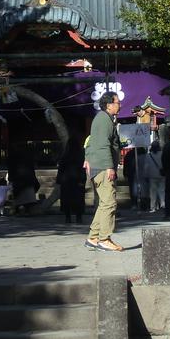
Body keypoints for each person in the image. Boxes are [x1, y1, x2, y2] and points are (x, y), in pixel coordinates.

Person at [84, 91, 123, 252]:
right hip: (102, 167)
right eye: (117, 102)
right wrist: (109, 166)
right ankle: (104, 238)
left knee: (103, 203)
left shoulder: (102, 119)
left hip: (97, 165)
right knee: (109, 203)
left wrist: (87, 157)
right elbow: (102, 145)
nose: (119, 105)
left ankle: (93, 237)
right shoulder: (104, 119)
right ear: (109, 105)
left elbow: (90, 141)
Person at [57, 136, 86, 224]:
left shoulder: (65, 155)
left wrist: (59, 180)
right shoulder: (80, 155)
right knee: (78, 199)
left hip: (66, 180)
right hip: (77, 179)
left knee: (67, 199)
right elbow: (82, 169)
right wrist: (82, 180)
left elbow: (61, 169)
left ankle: (68, 217)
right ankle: (79, 217)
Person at [7, 147, 39, 215]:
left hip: (20, 185)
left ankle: (19, 209)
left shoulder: (13, 162)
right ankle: (26, 209)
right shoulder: (27, 162)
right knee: (29, 203)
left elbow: (11, 174)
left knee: (20, 200)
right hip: (28, 184)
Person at [140, 140, 165, 213]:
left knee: (152, 192)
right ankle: (163, 204)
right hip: (161, 175)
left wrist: (145, 175)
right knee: (162, 190)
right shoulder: (162, 154)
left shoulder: (149, 155)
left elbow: (146, 167)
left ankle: (153, 207)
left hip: (152, 175)